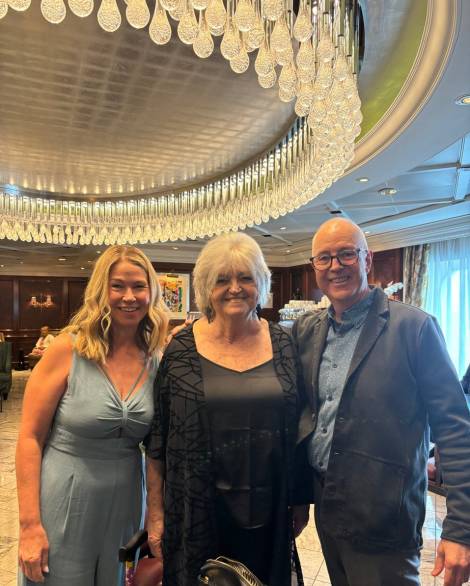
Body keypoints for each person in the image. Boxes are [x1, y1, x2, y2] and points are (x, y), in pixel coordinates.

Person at [292, 218, 470, 586]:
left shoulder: (414, 328)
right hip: (327, 506)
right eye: (324, 258)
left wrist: (461, 528)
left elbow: (454, 429)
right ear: (314, 267)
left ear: (367, 259)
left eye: (346, 254)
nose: (335, 266)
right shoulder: (307, 330)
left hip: (385, 516)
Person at [145, 232, 307, 586]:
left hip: (270, 511)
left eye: (245, 277)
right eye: (222, 279)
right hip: (195, 511)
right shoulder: (181, 350)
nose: (235, 288)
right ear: (206, 288)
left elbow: (299, 429)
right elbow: (158, 439)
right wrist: (154, 513)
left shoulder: (284, 343)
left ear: (260, 284)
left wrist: (300, 501)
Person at [16, 245, 169, 586]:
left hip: (128, 499)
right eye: (118, 286)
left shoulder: (156, 358)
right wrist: (29, 526)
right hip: (66, 496)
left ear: (151, 293)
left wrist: (156, 514)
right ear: (101, 290)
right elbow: (29, 438)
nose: (129, 297)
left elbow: (159, 446)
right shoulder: (67, 349)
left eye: (138, 286)